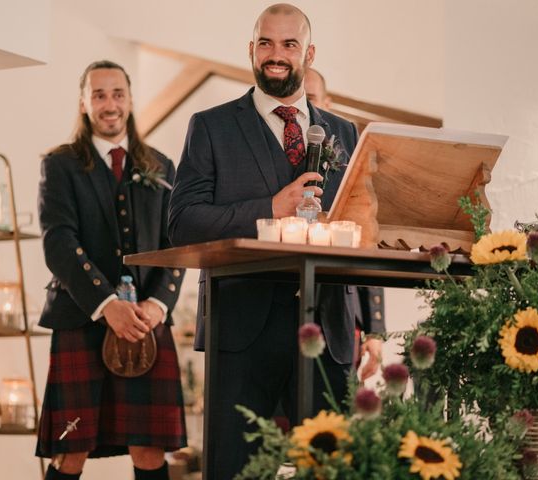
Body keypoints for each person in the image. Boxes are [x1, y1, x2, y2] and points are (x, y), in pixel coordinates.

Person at [169, 5, 380, 478]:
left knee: (329, 470)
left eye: (289, 44)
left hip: (329, 327)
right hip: (242, 327)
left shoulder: (344, 132)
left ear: (308, 52)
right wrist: (269, 208)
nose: (276, 55)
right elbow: (182, 221)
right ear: (251, 50)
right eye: (266, 43)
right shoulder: (211, 126)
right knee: (235, 469)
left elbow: (360, 223)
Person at [35, 60, 186, 480]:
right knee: (71, 450)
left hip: (146, 324)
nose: (109, 104)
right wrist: (106, 305)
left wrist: (158, 304)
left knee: (151, 450)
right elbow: (58, 242)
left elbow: (175, 243)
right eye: (98, 94)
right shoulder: (60, 165)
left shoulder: (162, 165)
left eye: (117, 93)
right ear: (84, 103)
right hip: (82, 318)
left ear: (130, 99)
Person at [303, 67, 385, 370]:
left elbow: (365, 230)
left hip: (341, 309)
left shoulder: (348, 145)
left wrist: (375, 330)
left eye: (311, 98)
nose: (306, 106)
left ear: (327, 102)